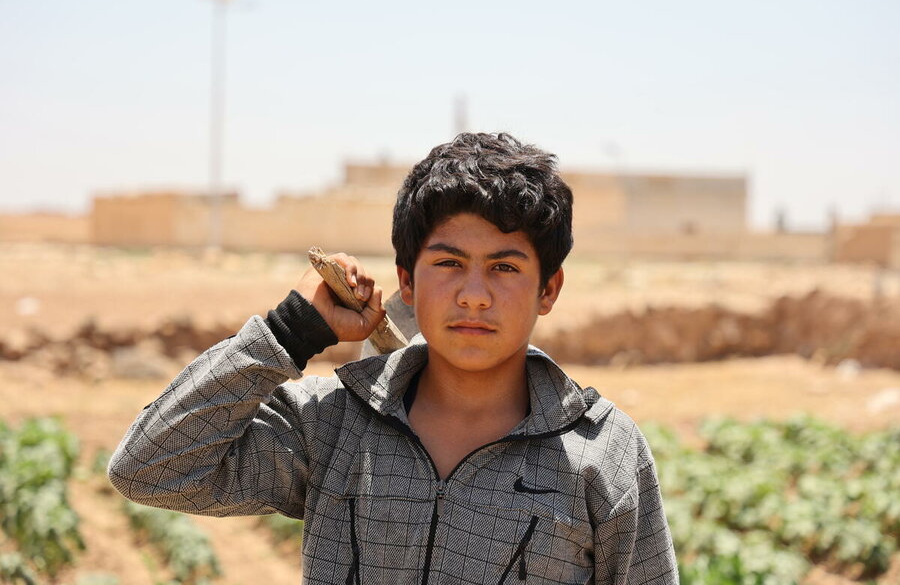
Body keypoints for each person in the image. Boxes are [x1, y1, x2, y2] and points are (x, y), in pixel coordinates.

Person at [108, 132, 678, 584]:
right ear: (407, 280)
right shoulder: (333, 423)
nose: (474, 295)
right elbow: (149, 470)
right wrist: (289, 332)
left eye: (505, 268)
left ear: (548, 290)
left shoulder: (602, 452)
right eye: (448, 263)